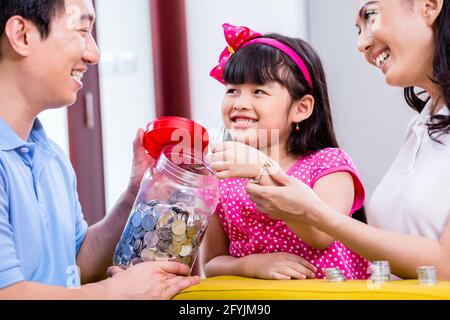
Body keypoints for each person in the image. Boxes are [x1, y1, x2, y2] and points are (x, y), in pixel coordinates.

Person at [0, 0, 199, 299]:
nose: (93, 54)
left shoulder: (50, 156)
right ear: (22, 35)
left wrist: (137, 195)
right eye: (82, 29)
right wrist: (114, 292)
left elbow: (76, 265)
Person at [245, 0, 450, 280]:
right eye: (358, 29)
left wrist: (315, 213)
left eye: (371, 15)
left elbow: (445, 264)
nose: (362, 44)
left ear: (429, 5)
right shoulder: (421, 126)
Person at [202, 23, 371, 280]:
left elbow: (322, 234)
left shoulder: (328, 165)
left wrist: (262, 170)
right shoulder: (220, 176)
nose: (240, 103)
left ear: (301, 108)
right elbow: (212, 262)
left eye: (259, 91)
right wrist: (253, 266)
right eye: (232, 90)